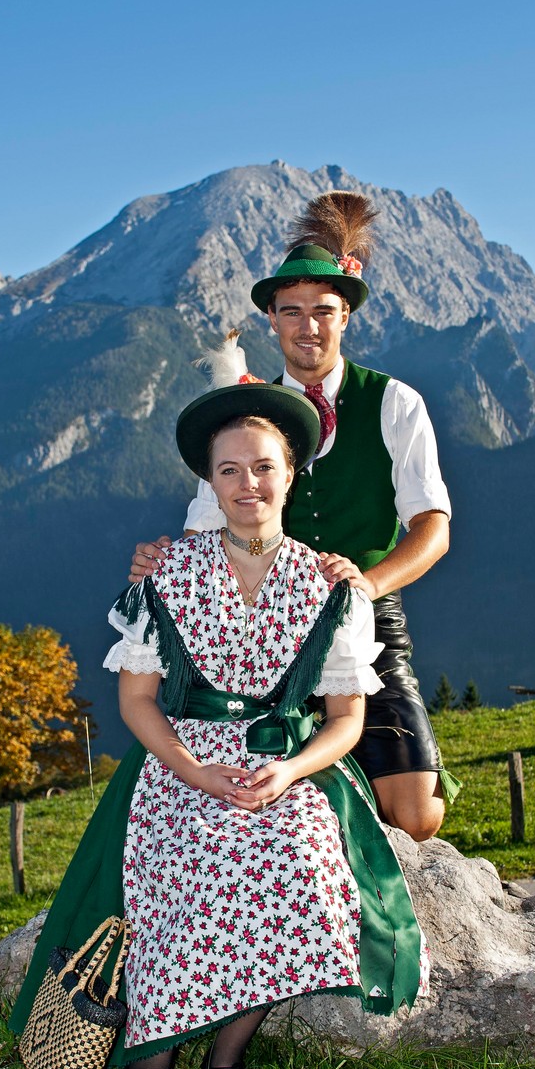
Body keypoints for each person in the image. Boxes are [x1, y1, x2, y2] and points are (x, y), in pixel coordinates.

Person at [10, 367, 427, 1069]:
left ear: (290, 475)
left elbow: (345, 719)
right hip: (180, 762)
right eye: (228, 470)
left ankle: (227, 1061)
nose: (248, 485)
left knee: (303, 868)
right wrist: (193, 769)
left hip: (283, 764)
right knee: (187, 868)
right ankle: (151, 1062)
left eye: (263, 468)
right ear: (209, 481)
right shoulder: (167, 574)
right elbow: (136, 700)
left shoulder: (329, 588)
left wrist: (288, 771)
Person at [132, 191, 456, 843]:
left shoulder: (393, 404)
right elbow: (207, 525)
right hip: (261, 622)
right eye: (292, 313)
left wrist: (364, 585)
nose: (308, 327)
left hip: (362, 611)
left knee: (417, 816)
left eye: (323, 312)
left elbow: (433, 529)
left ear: (345, 318)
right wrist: (163, 566)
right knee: (244, 792)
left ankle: (355, 786)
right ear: (271, 322)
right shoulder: (245, 413)